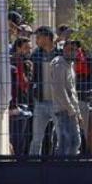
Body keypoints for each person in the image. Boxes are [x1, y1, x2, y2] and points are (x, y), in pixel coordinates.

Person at [28, 26, 60, 156]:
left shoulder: (61, 54)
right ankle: (33, 165)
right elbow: (31, 77)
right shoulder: (35, 55)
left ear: (47, 37)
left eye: (38, 37)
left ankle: (60, 164)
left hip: (58, 103)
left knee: (61, 137)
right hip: (40, 102)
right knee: (36, 139)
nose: (36, 40)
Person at [49, 40, 82, 157]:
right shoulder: (59, 64)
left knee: (75, 142)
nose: (72, 52)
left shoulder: (70, 65)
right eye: (69, 49)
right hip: (63, 110)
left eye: (75, 50)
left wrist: (77, 112)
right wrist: (70, 109)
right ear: (64, 50)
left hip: (71, 111)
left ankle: (69, 168)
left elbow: (72, 90)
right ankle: (60, 169)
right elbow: (60, 90)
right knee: (65, 143)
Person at [10, 37, 34, 155]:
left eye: (29, 48)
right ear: (18, 48)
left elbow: (27, 83)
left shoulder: (27, 63)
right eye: (26, 48)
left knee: (22, 138)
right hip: (15, 103)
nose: (28, 51)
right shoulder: (12, 62)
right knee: (15, 137)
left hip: (24, 102)